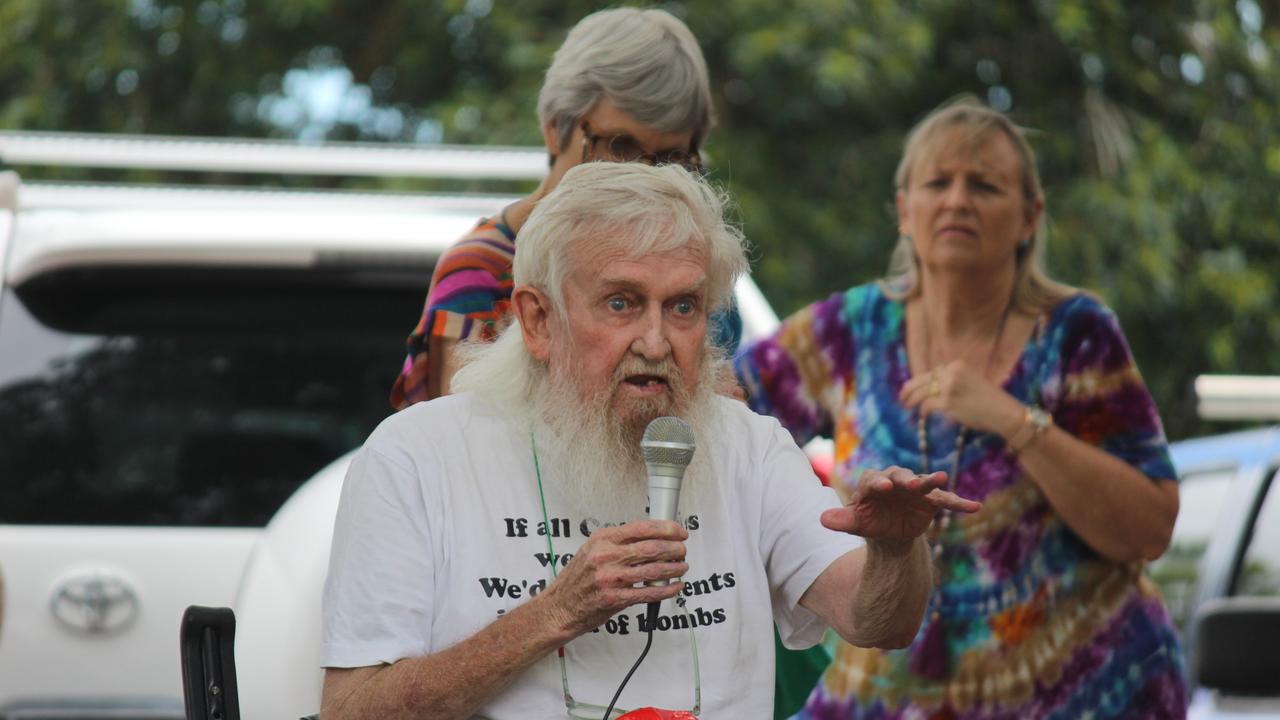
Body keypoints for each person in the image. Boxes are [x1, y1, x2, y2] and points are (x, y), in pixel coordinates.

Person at [320, 163, 980, 719]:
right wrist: (553, 614)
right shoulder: (417, 457)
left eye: (684, 307)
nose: (657, 342)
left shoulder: (746, 446)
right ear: (539, 319)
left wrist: (895, 552)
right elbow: (352, 708)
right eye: (621, 303)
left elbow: (878, 621)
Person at [734, 96, 1187, 718]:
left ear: (1030, 216)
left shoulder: (1075, 334)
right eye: (938, 182)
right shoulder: (851, 329)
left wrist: (1011, 418)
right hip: (895, 694)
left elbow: (1150, 529)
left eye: (984, 185)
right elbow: (720, 411)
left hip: (1083, 691)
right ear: (903, 210)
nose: (957, 200)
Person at [390, 6, 738, 409]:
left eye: (670, 159)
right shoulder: (483, 273)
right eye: (621, 148)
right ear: (557, 127)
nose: (643, 178)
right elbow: (463, 454)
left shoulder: (696, 276)